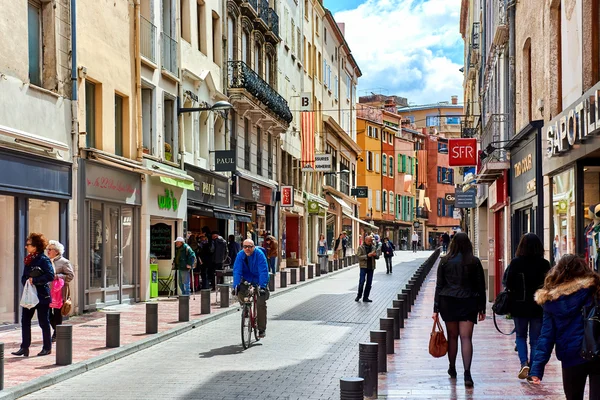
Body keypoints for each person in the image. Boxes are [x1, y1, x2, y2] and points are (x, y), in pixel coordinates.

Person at [528, 255, 600, 398]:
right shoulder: (595, 289)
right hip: (597, 350)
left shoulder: (552, 301)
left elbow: (546, 336)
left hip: (571, 355)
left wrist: (537, 368)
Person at [432, 232, 486, 387]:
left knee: (452, 337)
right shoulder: (474, 262)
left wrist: (435, 309)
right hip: (468, 301)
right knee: (466, 338)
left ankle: (452, 368)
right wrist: (482, 308)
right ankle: (467, 373)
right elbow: (480, 287)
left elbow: (439, 285)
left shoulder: (444, 261)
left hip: (448, 302)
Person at [503, 233, 550, 379]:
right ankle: (534, 369)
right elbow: (550, 284)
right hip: (538, 306)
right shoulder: (544, 264)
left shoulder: (516, 263)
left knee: (520, 336)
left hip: (519, 305)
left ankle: (524, 363)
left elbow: (508, 283)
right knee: (535, 339)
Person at [12, 233, 55, 357]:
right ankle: (24, 347)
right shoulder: (29, 259)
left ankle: (47, 347)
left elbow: (50, 276)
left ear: (35, 246)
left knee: (43, 322)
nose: (26, 247)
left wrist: (35, 280)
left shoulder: (44, 259)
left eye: (28, 245)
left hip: (42, 295)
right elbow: (24, 276)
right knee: (25, 321)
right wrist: (25, 281)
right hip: (29, 295)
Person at [232, 239, 270, 338]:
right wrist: (235, 285)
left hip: (259, 279)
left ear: (254, 247)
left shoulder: (259, 255)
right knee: (240, 291)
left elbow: (263, 271)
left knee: (260, 303)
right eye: (245, 247)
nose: (247, 249)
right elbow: (237, 271)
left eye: (250, 247)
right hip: (247, 278)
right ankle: (246, 309)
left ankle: (261, 329)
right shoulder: (240, 255)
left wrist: (262, 286)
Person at [46, 240, 74, 342]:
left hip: (59, 292)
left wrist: (58, 276)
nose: (48, 251)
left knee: (57, 312)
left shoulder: (64, 262)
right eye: (47, 249)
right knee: (47, 313)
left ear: (57, 251)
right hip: (47, 291)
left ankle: (57, 333)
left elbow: (70, 276)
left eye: (50, 249)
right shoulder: (46, 261)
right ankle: (57, 330)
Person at [355, 235, 379, 303]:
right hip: (363, 267)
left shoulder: (373, 247)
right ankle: (359, 296)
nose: (370, 242)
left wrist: (375, 255)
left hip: (371, 267)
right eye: (369, 241)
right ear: (365, 240)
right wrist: (367, 256)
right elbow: (358, 257)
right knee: (362, 282)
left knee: (369, 283)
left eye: (371, 241)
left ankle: (366, 297)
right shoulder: (361, 247)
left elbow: (377, 256)